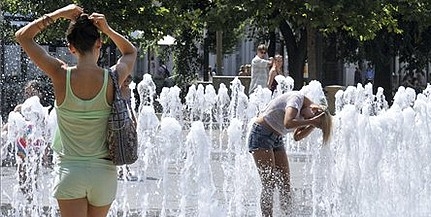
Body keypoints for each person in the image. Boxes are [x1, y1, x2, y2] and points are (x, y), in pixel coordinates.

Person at [15, 4, 137, 217]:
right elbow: (130, 51)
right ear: (99, 43)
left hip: (70, 172)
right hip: (104, 174)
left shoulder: (60, 75)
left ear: (71, 47)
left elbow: (23, 37)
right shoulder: (114, 77)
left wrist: (58, 14)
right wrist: (107, 29)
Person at [247, 91, 332, 217]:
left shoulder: (307, 113)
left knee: (285, 184)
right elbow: (288, 123)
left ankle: (287, 215)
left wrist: (312, 125)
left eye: (310, 120)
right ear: (314, 109)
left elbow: (297, 137)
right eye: (310, 118)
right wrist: (312, 122)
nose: (307, 119)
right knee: (269, 184)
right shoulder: (296, 99)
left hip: (276, 138)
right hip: (261, 134)